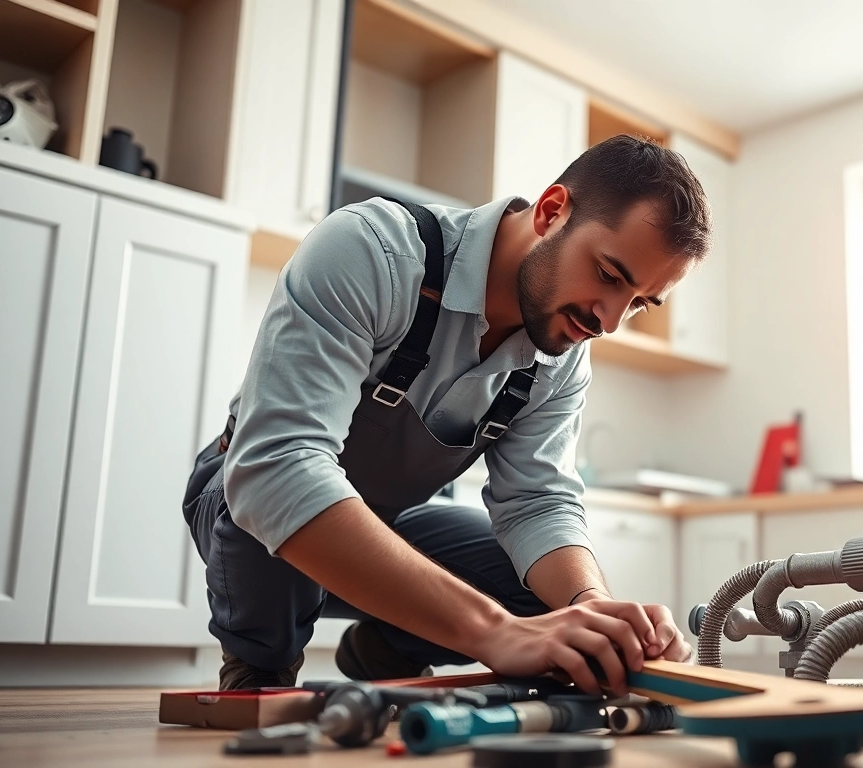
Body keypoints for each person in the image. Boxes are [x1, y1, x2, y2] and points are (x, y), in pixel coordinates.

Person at [182, 135, 709, 695]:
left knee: (551, 609)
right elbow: (279, 467)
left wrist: (594, 609)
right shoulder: (370, 250)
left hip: (390, 520)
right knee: (284, 487)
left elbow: (538, 502)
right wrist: (493, 631)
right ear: (553, 212)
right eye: (609, 275)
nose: (609, 322)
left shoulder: (560, 355)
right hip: (242, 504)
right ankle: (261, 666)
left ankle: (389, 643)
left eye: (638, 303)